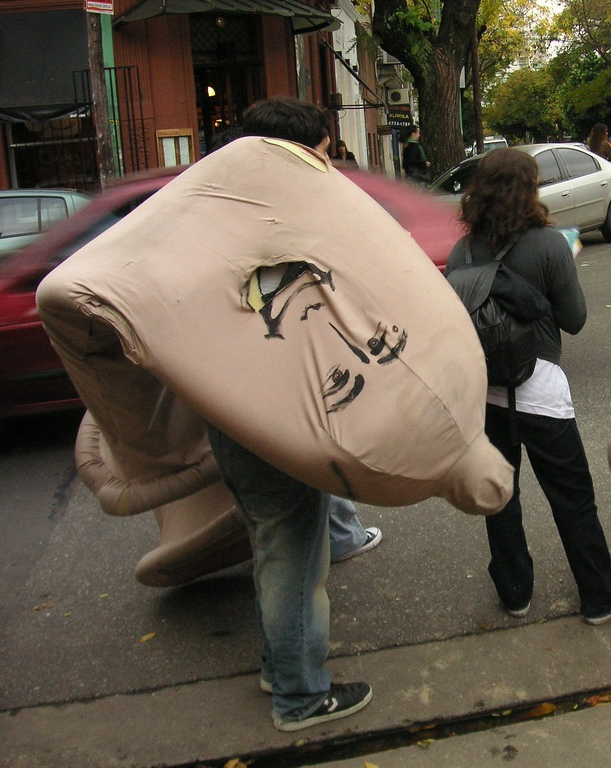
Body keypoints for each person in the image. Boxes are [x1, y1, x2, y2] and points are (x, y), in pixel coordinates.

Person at [207, 95, 374, 732]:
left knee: (271, 546)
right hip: (279, 415)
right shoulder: (284, 223)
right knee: (295, 559)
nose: (327, 167)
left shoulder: (213, 214)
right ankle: (301, 696)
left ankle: (279, 669)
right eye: (323, 155)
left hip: (228, 410)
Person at [445, 148, 611, 625]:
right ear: (530, 190)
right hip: (540, 391)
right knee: (572, 497)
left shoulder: (462, 251)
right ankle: (600, 596)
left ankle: (514, 593)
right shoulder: (550, 245)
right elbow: (575, 319)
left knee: (500, 496)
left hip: (485, 394)